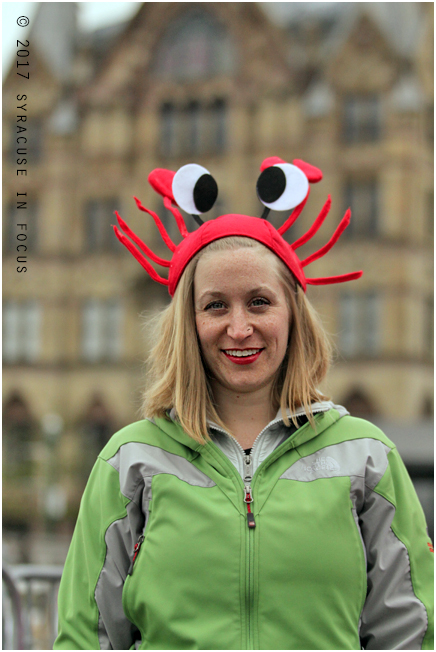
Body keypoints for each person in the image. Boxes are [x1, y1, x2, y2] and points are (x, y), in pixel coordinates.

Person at [54, 159, 434, 650]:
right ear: (188, 323)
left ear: (293, 315)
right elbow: (85, 635)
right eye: (215, 305)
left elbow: (414, 633)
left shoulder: (367, 457)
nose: (238, 328)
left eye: (259, 302)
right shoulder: (129, 461)